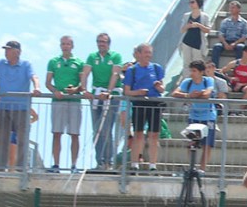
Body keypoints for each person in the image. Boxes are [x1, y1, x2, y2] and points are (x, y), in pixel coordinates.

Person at [0, 41, 41, 172]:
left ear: (17, 52)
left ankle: (20, 168)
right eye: (6, 50)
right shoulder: (0, 64)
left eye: (9, 50)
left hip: (21, 108)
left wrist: (37, 88)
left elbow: (34, 76)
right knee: (1, 139)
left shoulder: (26, 65)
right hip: (4, 107)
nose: (6, 52)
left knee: (22, 139)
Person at [80, 33, 123, 171]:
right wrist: (84, 90)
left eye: (103, 42)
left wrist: (109, 91)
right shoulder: (92, 57)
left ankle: (108, 162)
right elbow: (85, 73)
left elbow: (115, 74)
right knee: (96, 129)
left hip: (110, 96)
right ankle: (99, 161)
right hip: (96, 95)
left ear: (108, 43)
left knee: (106, 130)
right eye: (99, 41)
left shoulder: (115, 56)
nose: (101, 44)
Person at [123, 43, 165, 174]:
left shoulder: (157, 68)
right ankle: (135, 163)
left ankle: (153, 164)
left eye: (149, 52)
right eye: (145, 52)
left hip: (154, 103)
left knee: (154, 135)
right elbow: (127, 91)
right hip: (139, 103)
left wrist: (159, 87)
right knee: (138, 134)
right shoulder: (132, 70)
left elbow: (162, 89)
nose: (148, 55)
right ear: (139, 54)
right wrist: (138, 92)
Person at [45, 35, 84, 174]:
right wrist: (55, 91)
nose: (65, 46)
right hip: (58, 101)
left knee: (74, 134)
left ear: (72, 46)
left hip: (74, 101)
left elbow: (82, 84)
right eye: (63, 44)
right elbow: (48, 82)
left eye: (68, 44)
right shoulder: (53, 62)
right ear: (60, 46)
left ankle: (74, 165)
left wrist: (75, 89)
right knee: (57, 133)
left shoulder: (79, 62)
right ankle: (56, 165)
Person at [171, 60, 217, 170]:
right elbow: (175, 93)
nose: (192, 73)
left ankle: (202, 169)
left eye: (194, 71)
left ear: (201, 72)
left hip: (208, 116)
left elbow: (207, 94)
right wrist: (188, 95)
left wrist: (196, 95)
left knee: (207, 145)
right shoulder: (187, 82)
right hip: (194, 116)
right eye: (191, 70)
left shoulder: (208, 80)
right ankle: (192, 167)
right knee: (191, 143)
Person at [211, 0, 247, 68]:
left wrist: (235, 43)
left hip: (238, 42)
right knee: (216, 46)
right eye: (230, 8)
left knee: (241, 47)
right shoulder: (225, 21)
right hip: (226, 41)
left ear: (238, 9)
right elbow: (221, 34)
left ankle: (238, 68)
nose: (231, 9)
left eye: (233, 7)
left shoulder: (244, 22)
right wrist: (225, 43)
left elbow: (245, 36)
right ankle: (214, 68)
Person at [180, 0, 211, 67]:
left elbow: (208, 30)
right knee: (186, 64)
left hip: (198, 43)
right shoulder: (186, 15)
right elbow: (182, 30)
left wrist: (198, 25)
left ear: (198, 3)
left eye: (192, 2)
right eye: (190, 2)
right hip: (186, 42)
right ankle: (186, 77)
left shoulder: (205, 16)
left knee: (197, 64)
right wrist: (188, 26)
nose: (190, 4)